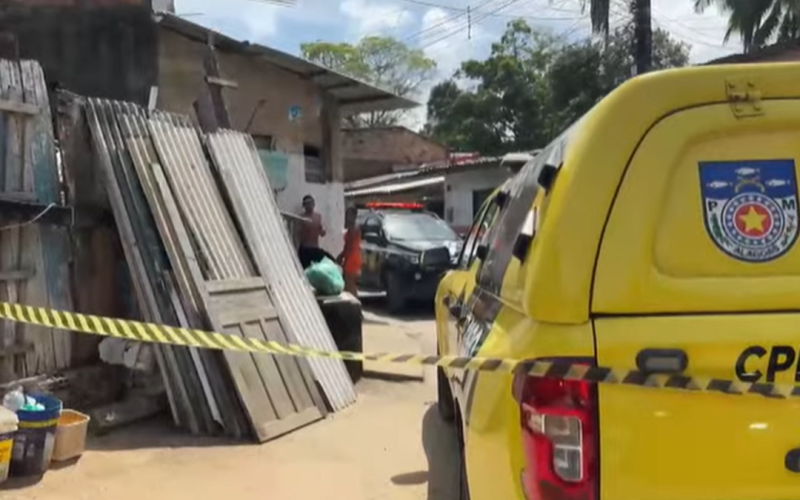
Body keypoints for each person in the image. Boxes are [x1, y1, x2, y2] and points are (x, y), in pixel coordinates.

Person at [297, 194, 333, 269]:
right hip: (305, 249)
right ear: (304, 206)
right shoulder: (301, 218)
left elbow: (321, 232)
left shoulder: (318, 217)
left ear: (314, 204)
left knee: (324, 264)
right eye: (307, 204)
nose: (309, 206)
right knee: (306, 269)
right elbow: (298, 234)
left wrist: (322, 230)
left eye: (310, 203)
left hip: (315, 248)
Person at [338, 205, 361, 296]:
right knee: (349, 286)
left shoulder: (354, 229)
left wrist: (342, 257)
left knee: (350, 286)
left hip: (352, 259)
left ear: (354, 215)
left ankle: (356, 307)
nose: (347, 217)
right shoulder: (351, 228)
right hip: (351, 258)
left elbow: (349, 247)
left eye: (349, 215)